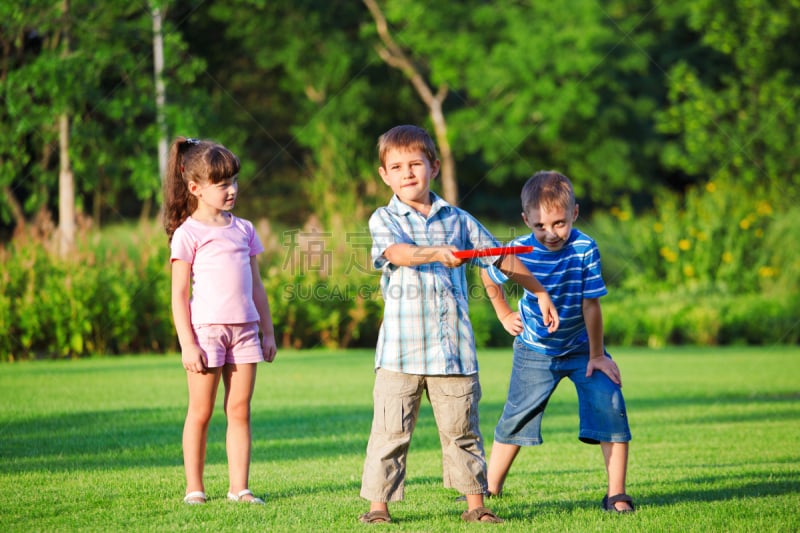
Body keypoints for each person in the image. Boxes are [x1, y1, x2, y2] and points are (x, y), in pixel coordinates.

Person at [358, 125, 559, 524]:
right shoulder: (384, 217)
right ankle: (378, 509)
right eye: (396, 167)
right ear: (384, 175)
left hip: (453, 353)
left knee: (463, 433)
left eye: (415, 164)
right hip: (401, 355)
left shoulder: (459, 219)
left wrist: (539, 291)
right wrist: (436, 252)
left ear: (433, 166)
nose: (407, 173)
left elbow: (498, 258)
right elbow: (397, 253)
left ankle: (476, 507)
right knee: (389, 435)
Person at [481, 170, 634, 513]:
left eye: (559, 223)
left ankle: (616, 495)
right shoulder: (518, 250)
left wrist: (597, 356)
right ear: (526, 220)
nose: (550, 233)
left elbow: (591, 304)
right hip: (535, 351)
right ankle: (490, 488)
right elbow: (487, 272)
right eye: (540, 226)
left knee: (610, 404)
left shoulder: (584, 249)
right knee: (516, 417)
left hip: (583, 348)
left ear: (574, 213)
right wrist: (504, 313)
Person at [163, 136, 277, 505]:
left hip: (245, 332)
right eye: (222, 183)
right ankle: (194, 488)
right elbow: (179, 295)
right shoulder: (187, 234)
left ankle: (238, 488)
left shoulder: (244, 229)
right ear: (195, 188)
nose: (232, 190)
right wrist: (187, 343)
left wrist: (268, 332)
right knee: (201, 411)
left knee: (239, 409)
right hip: (206, 333)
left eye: (234, 181)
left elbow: (257, 286)